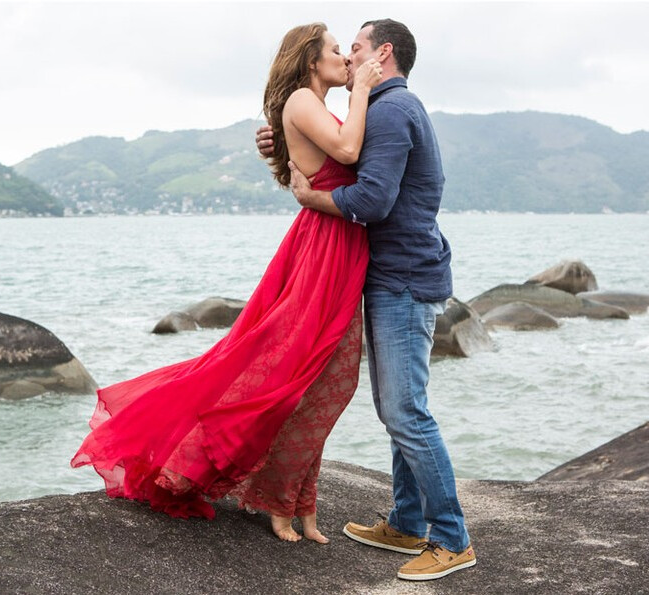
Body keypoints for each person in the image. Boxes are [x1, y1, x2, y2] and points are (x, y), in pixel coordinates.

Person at [70, 23, 383, 545]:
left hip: (339, 245)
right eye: (335, 51)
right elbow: (348, 154)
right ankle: (278, 501)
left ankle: (302, 505)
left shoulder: (316, 106)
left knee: (329, 383)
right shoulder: (305, 100)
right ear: (310, 59)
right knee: (289, 378)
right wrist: (367, 90)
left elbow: (327, 161)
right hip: (325, 247)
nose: (345, 60)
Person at [256, 18, 476, 581]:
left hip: (402, 276)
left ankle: (451, 538)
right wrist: (281, 141)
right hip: (392, 274)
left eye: (353, 48)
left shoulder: (390, 110)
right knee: (398, 408)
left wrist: (311, 197)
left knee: (404, 411)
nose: (348, 57)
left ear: (382, 52)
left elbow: (372, 200)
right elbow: (334, 151)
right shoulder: (379, 108)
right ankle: (406, 522)